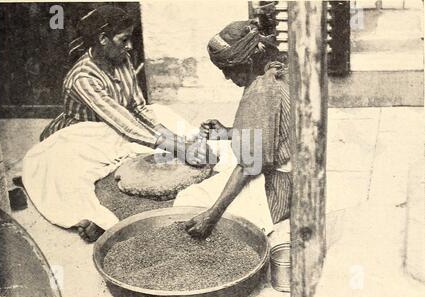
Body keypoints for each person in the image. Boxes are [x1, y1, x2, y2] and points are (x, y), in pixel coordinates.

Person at [22, 5, 206, 243]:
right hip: (84, 134)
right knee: (60, 172)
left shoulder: (123, 59)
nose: (130, 46)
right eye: (124, 40)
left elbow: (139, 107)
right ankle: (96, 219)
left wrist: (176, 139)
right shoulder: (82, 77)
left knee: (160, 112)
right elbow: (123, 123)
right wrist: (177, 148)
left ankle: (190, 144)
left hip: (117, 127)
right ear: (103, 39)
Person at [184, 17, 292, 239]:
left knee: (190, 200)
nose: (226, 76)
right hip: (289, 171)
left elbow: (248, 166)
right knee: (223, 163)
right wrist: (227, 132)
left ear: (249, 62)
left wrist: (211, 215)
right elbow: (270, 130)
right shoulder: (274, 72)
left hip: (279, 189)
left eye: (228, 69)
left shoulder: (261, 92)